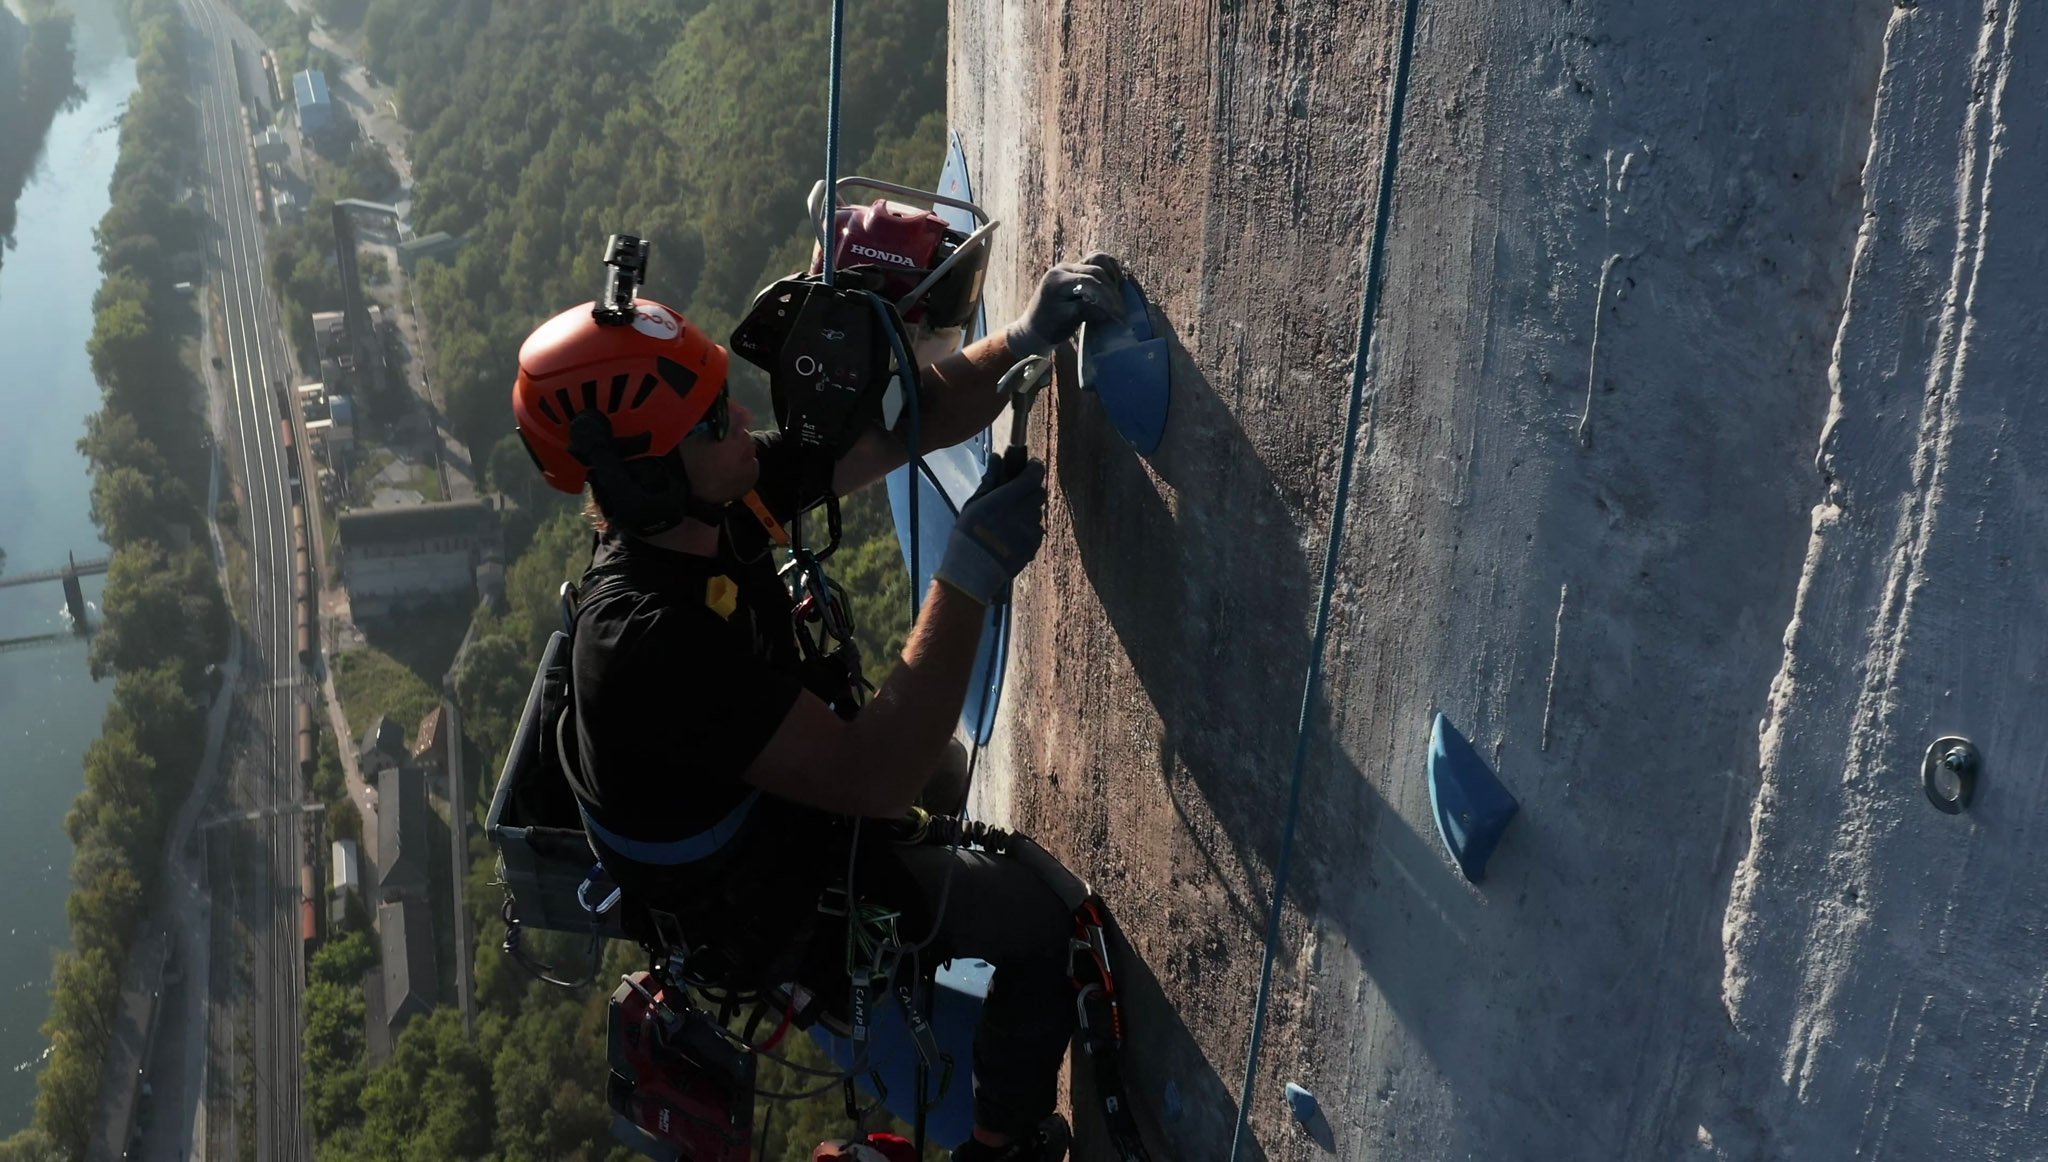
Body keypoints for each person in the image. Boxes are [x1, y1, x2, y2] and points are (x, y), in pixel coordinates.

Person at [511, 252, 1128, 1162]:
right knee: (1041, 925)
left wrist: (1022, 339)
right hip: (772, 901)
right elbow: (878, 776)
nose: (741, 418)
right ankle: (1003, 1148)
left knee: (945, 766)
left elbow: (892, 427)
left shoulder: (705, 509)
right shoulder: (646, 646)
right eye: (713, 419)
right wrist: (968, 576)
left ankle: (930, 920)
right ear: (646, 475)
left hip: (778, 815)